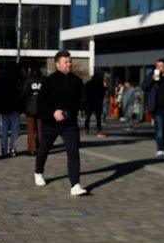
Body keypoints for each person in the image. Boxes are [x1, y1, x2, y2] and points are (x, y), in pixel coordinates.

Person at [34, 50, 87, 196]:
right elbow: (40, 103)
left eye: (70, 61)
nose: (69, 64)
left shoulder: (77, 81)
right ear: (58, 64)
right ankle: (38, 172)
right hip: (50, 124)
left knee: (73, 153)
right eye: (66, 62)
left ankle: (75, 185)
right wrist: (53, 112)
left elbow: (79, 102)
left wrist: (75, 111)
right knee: (44, 149)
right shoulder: (49, 81)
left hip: (70, 124)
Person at [0, 67, 22, 157]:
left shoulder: (1, 81)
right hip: (15, 107)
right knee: (14, 130)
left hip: (4, 108)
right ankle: (12, 148)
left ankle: (4, 149)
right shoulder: (17, 81)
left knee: (3, 129)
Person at [21, 63, 44, 155]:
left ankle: (32, 149)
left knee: (31, 129)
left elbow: (24, 94)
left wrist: (24, 106)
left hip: (30, 108)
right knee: (41, 129)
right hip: (42, 108)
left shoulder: (29, 80)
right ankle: (42, 148)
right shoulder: (45, 80)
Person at [83, 72, 107, 137]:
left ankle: (87, 129)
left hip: (92, 102)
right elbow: (103, 93)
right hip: (94, 102)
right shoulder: (98, 84)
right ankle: (97, 130)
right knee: (94, 117)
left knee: (90, 116)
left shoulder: (89, 84)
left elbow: (85, 93)